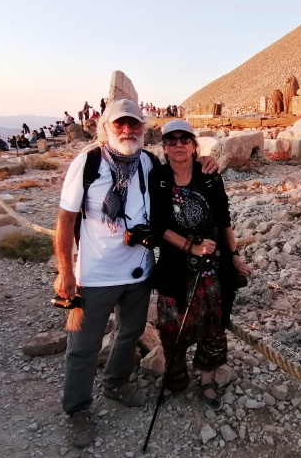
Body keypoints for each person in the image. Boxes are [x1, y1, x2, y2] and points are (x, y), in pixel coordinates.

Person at [53, 100, 218, 448]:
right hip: (94, 275)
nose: (128, 131)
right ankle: (78, 410)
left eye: (134, 125)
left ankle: (116, 384)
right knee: (83, 346)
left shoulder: (148, 163)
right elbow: (65, 221)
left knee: (129, 335)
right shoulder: (88, 163)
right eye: (120, 125)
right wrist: (65, 271)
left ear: (143, 129)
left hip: (139, 272)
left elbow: (180, 176)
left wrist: (205, 163)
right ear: (106, 128)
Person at [149, 119, 252, 411]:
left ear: (194, 145)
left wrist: (234, 255)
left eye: (185, 139)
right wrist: (190, 246)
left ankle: (206, 378)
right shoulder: (157, 178)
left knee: (213, 323)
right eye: (172, 140)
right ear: (165, 147)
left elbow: (223, 220)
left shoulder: (209, 176)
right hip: (174, 265)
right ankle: (176, 378)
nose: (179, 144)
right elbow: (158, 226)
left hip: (212, 266)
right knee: (171, 325)